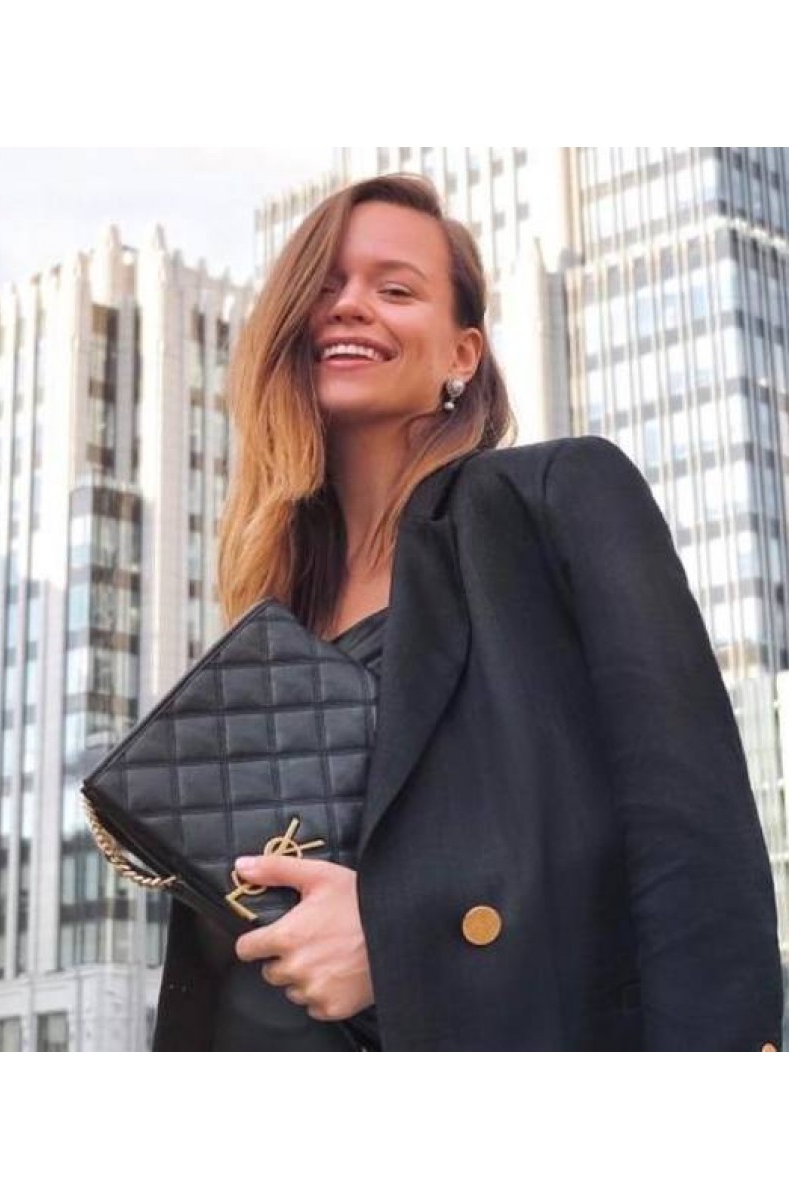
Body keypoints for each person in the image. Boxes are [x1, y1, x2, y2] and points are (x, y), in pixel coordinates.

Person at [152, 173, 784, 1052]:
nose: (349, 305)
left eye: (395, 289)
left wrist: (400, 942)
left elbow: (693, 851)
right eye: (324, 286)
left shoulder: (556, 500)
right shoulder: (273, 609)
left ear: (463, 354)